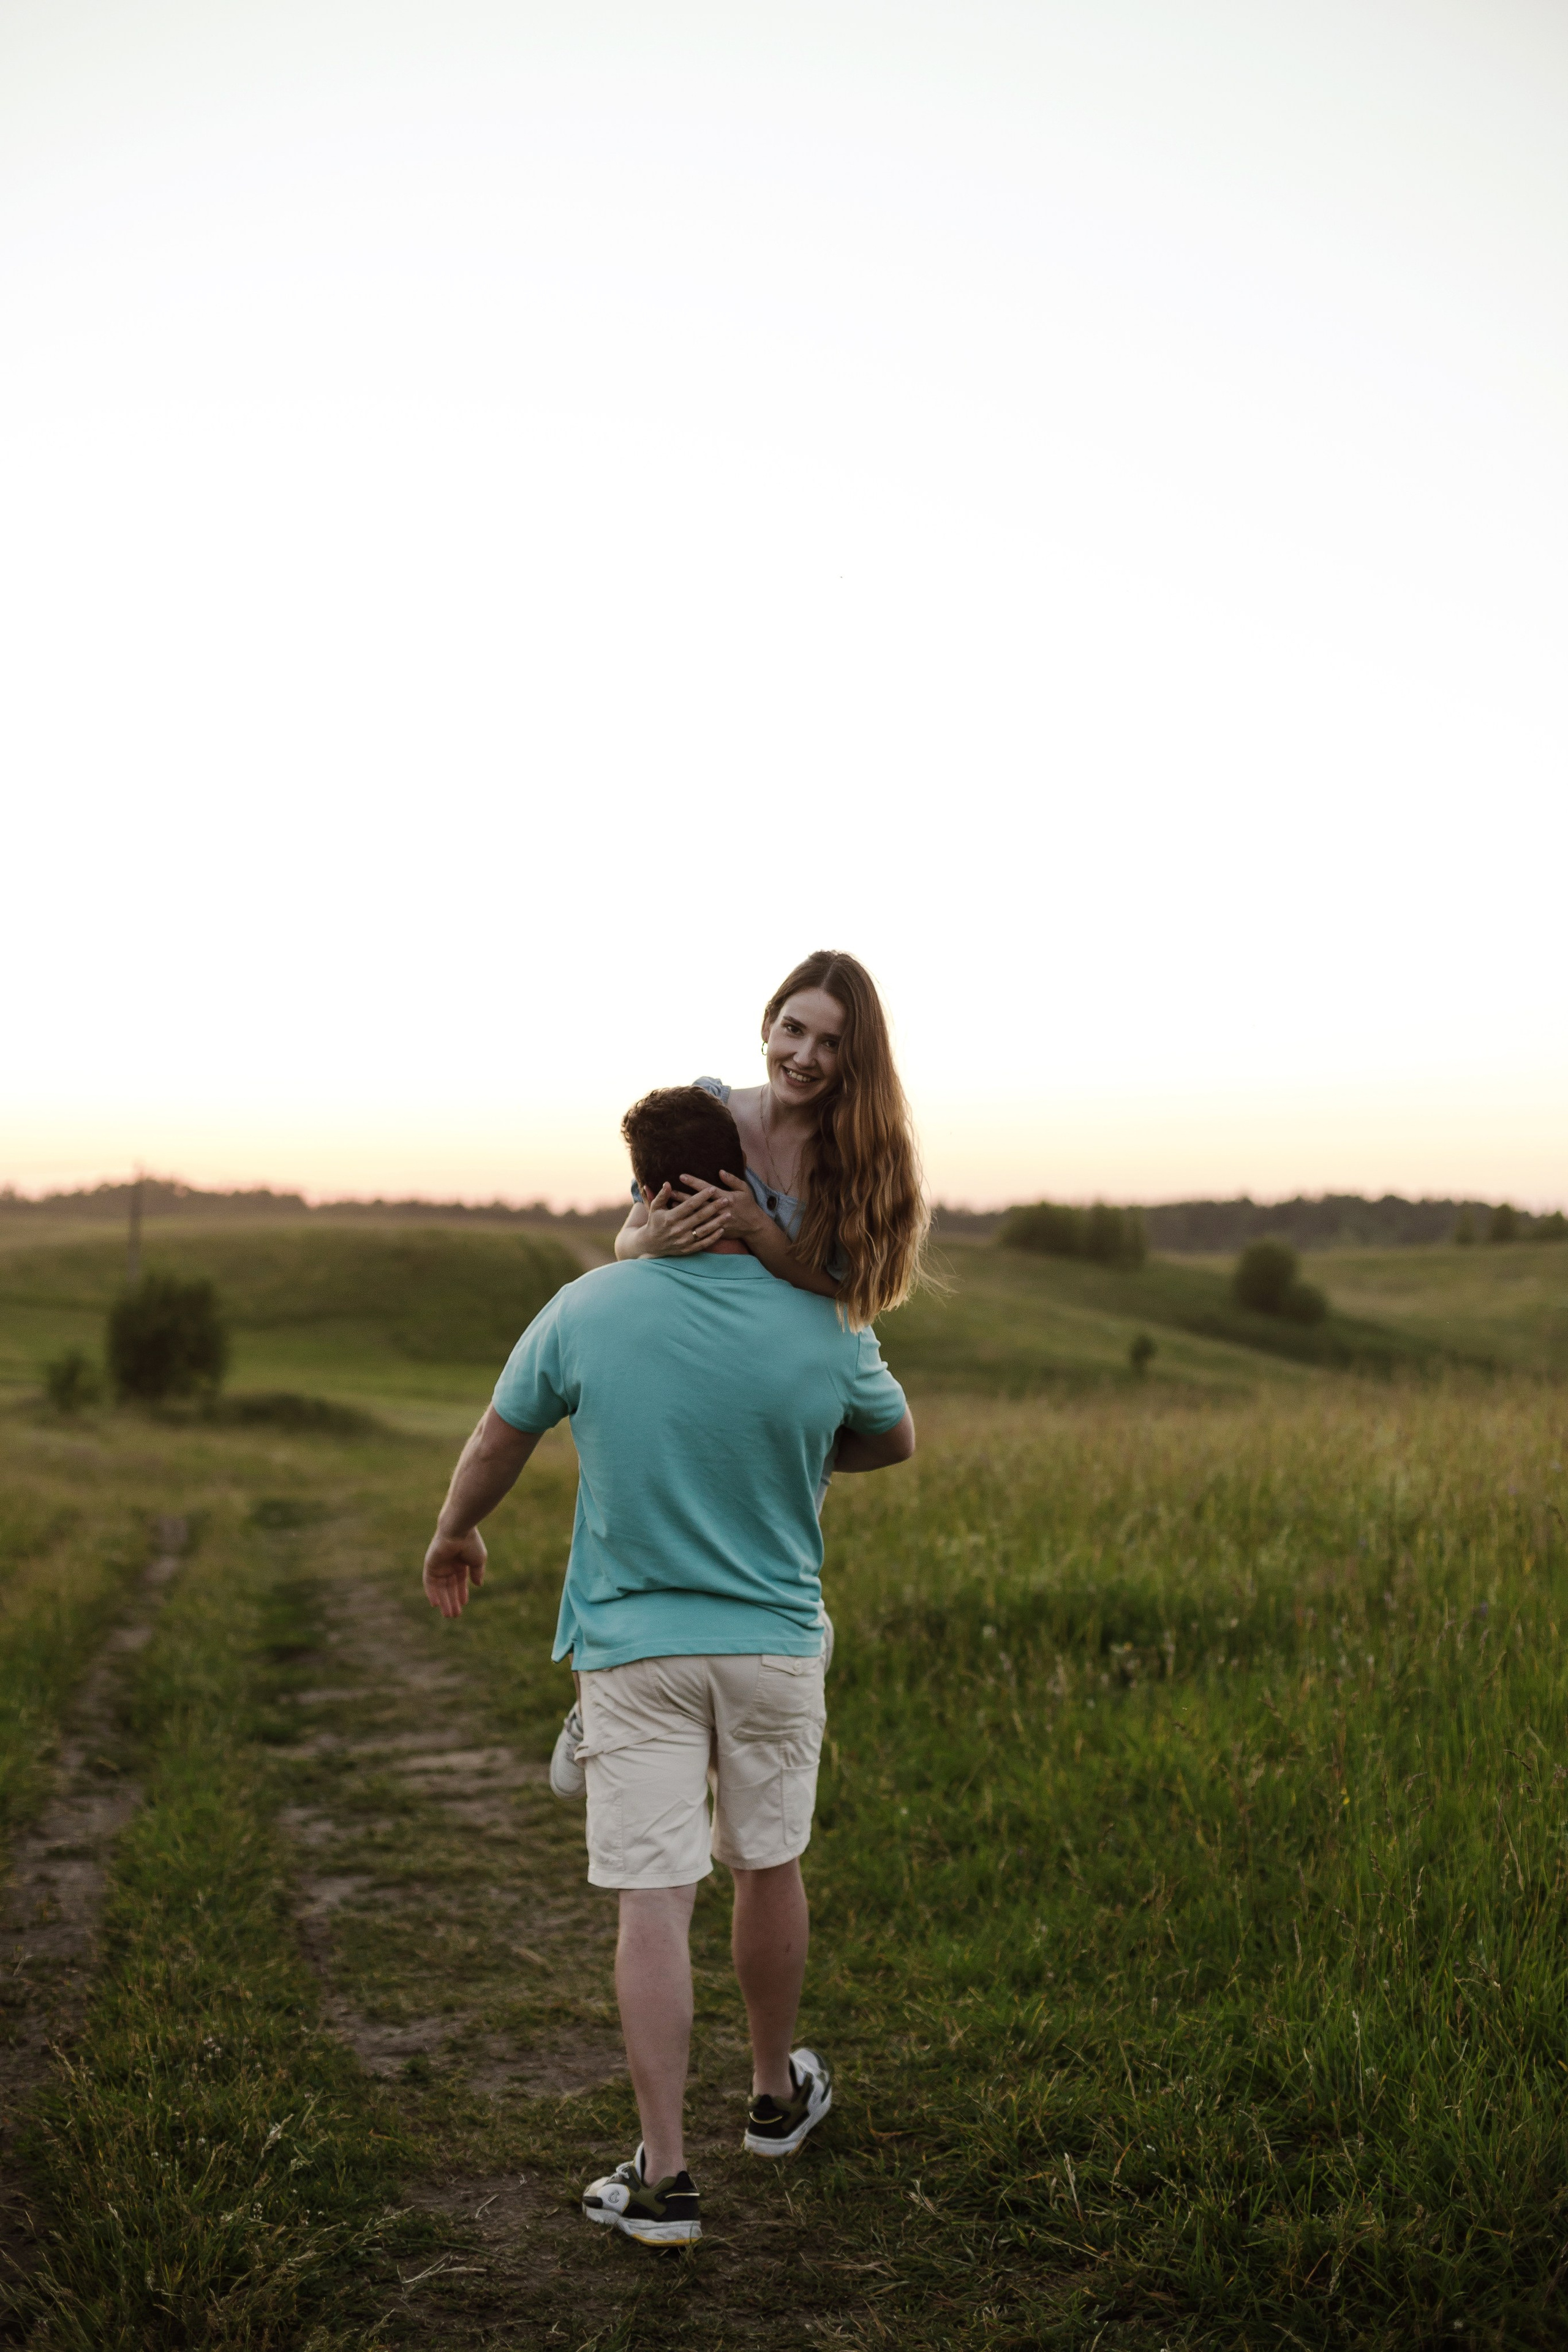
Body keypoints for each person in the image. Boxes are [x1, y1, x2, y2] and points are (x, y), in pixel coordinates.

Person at [421, 1084, 915, 2247]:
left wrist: (455, 1531)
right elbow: (891, 1437)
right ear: (741, 1184)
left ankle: (665, 2177)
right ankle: (774, 2101)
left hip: (634, 1654)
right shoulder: (825, 1318)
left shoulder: (588, 1307)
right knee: (768, 1862)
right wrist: (793, 1451)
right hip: (774, 1645)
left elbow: (502, 1436)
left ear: (646, 1191)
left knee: (656, 1897)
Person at [614, 948, 929, 1332]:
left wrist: (757, 1227)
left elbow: (859, 1295)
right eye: (793, 1029)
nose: (804, 1057)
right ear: (768, 1024)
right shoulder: (707, 1109)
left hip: (797, 1364)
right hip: (693, 1345)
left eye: (831, 1043)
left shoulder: (865, 1151)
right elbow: (625, 1244)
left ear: (855, 1055)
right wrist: (652, 1237)